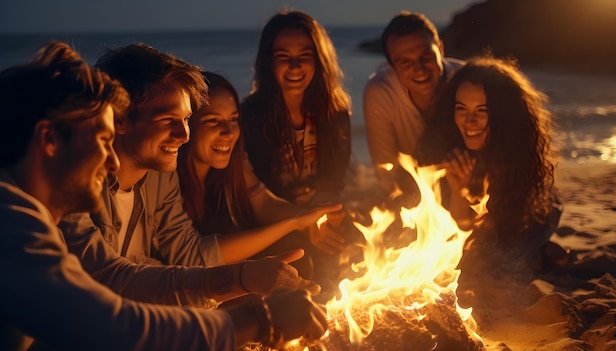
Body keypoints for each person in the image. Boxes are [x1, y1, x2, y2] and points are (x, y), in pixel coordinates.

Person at [0, 41, 327, 351]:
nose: (111, 161)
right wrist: (260, 319)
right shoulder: (11, 227)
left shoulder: (25, 214)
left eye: (186, 119)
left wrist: (241, 278)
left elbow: (113, 284)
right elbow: (115, 326)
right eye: (102, 139)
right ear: (49, 140)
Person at [240, 10, 359, 300]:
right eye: (283, 56)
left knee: (360, 247)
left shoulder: (334, 114)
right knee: (301, 261)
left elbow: (333, 180)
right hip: (270, 222)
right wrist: (305, 224)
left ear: (318, 60)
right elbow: (255, 195)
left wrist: (325, 217)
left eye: (304, 55)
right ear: (269, 63)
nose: (295, 66)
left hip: (318, 212)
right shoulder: (250, 117)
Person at [177, 70, 342, 262]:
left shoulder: (233, 161)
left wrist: (309, 219)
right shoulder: (167, 182)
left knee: (299, 254)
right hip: (182, 279)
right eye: (213, 121)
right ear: (186, 124)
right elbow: (197, 257)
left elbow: (262, 202)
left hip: (208, 273)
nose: (228, 132)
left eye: (233, 119)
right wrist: (295, 222)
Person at [424, 55, 563, 271]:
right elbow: (455, 235)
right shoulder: (445, 149)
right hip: (477, 235)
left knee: (504, 259)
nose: (470, 121)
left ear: (503, 115)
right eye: (461, 108)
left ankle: (538, 253)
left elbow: (503, 234)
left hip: (530, 217)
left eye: (483, 110)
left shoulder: (516, 156)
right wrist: (458, 191)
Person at [363, 11, 464, 208]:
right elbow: (386, 171)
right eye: (405, 62)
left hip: (469, 184)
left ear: (440, 49)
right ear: (392, 67)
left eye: (425, 56)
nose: (419, 68)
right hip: (415, 190)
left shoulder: (466, 81)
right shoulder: (381, 91)